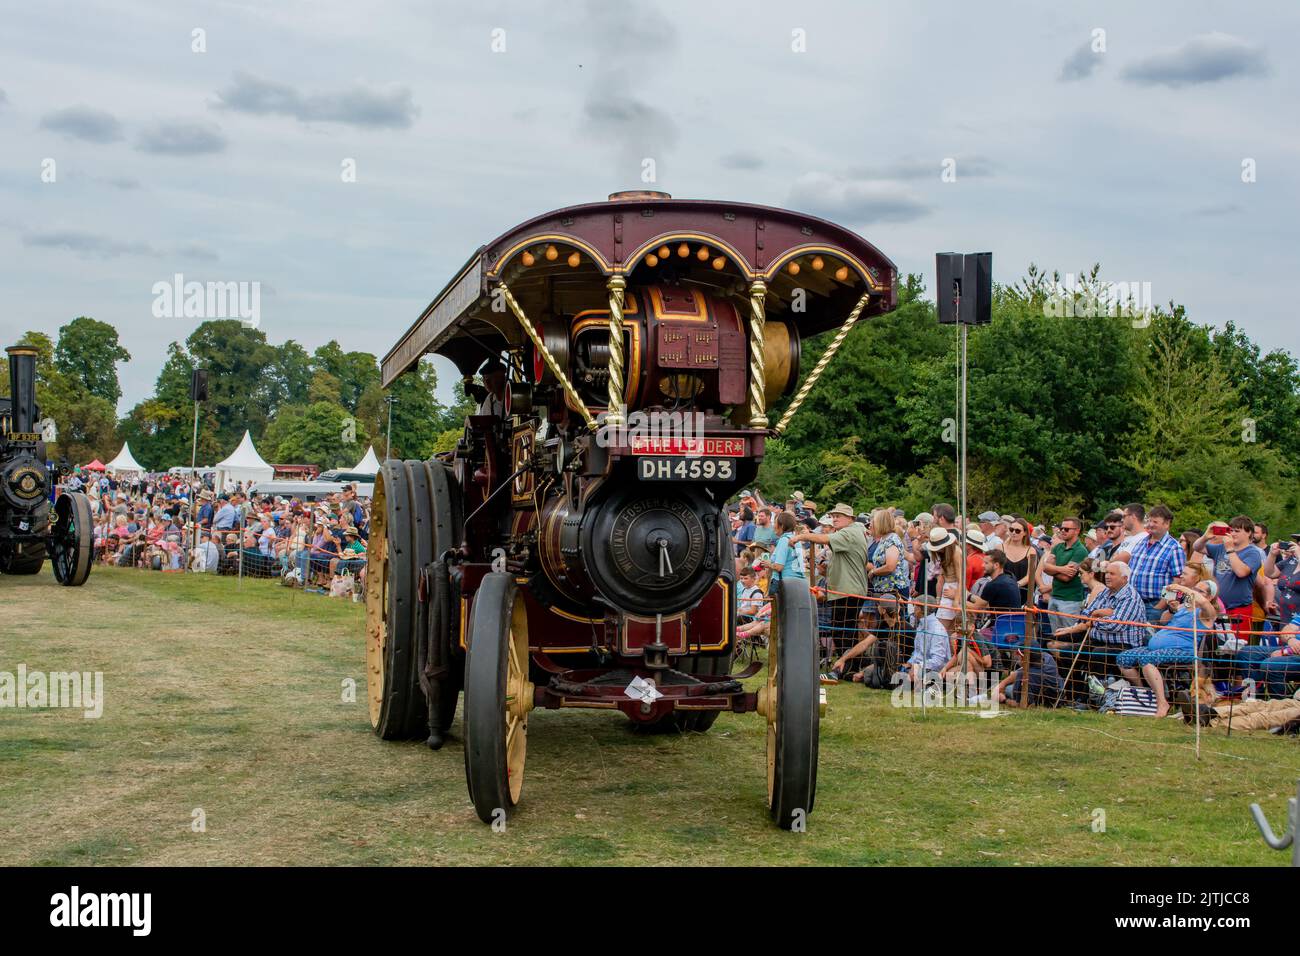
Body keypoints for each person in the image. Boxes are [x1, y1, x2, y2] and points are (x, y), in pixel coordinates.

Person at [1116, 578, 1220, 718]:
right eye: (1194, 588)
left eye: (1199, 590)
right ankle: (1146, 693)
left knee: (1147, 660)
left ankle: (1162, 703)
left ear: (1210, 596)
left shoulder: (1207, 613)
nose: (1194, 592)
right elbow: (1164, 620)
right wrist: (1172, 608)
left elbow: (1202, 602)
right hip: (1157, 648)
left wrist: (1181, 588)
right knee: (1123, 658)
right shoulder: (1185, 608)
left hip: (1184, 651)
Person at [792, 503, 869, 663]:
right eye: (833, 516)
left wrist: (802, 536)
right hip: (844, 589)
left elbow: (824, 538)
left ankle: (849, 665)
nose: (834, 519)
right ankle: (848, 664)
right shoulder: (848, 532)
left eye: (838, 516)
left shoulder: (849, 533)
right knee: (842, 630)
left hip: (849, 591)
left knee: (844, 632)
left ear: (850, 518)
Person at [1194, 515, 1266, 641]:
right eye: (1231, 530)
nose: (1233, 533)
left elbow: (1241, 572)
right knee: (1214, 647)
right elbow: (1197, 547)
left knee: (1236, 646)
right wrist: (1206, 536)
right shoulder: (1220, 548)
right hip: (1217, 607)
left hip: (1239, 609)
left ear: (1249, 533)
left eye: (1237, 531)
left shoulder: (1253, 552)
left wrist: (1230, 549)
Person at [1123, 505, 1186, 622]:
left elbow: (1178, 581)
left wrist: (1160, 606)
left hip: (1154, 605)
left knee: (1149, 638)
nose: (1150, 524)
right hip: (1133, 603)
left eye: (1155, 521)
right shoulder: (1141, 542)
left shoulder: (1174, 548)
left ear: (1166, 524)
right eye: (1149, 520)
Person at [1085, 561, 1149, 653]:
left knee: (1097, 653)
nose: (1107, 576)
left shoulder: (1130, 597)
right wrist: (1099, 612)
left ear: (1124, 579)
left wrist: (1093, 620)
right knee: (1069, 651)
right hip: (1099, 640)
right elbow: (1086, 613)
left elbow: (1114, 625)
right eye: (1106, 573)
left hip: (1124, 645)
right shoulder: (1105, 591)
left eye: (1112, 574)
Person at [1041, 517, 1090, 638]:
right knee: (1055, 635)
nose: (1063, 531)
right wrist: (1062, 569)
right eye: (1061, 528)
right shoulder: (1058, 547)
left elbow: (1066, 577)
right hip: (1054, 597)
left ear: (1077, 531)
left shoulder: (1081, 550)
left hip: (1071, 601)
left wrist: (1053, 568)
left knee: (1069, 637)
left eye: (1067, 529)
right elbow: (1045, 567)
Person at [1263, 535, 1300, 627]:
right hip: (1286, 617)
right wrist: (1272, 554)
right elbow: (1270, 573)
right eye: (1298, 540)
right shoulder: (1292, 560)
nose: (1298, 543)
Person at [768, 512, 806, 582]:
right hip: (799, 581)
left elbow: (779, 567)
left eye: (775, 523)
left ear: (782, 526)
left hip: (784, 581)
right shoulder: (795, 539)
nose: (773, 526)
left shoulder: (784, 540)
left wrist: (767, 564)